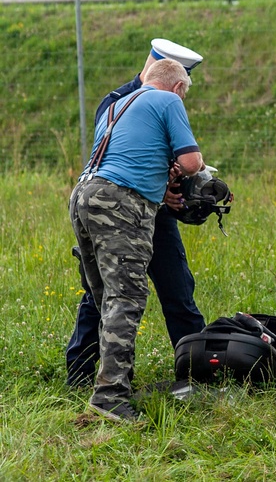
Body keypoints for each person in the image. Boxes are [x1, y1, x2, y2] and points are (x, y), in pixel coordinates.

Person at [70, 58, 205, 422]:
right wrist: (190, 166)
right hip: (120, 204)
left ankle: (100, 380)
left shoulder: (117, 104)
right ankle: (110, 397)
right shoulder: (169, 101)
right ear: (178, 87)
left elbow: (127, 157)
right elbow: (192, 163)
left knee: (103, 300)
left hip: (84, 196)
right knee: (125, 299)